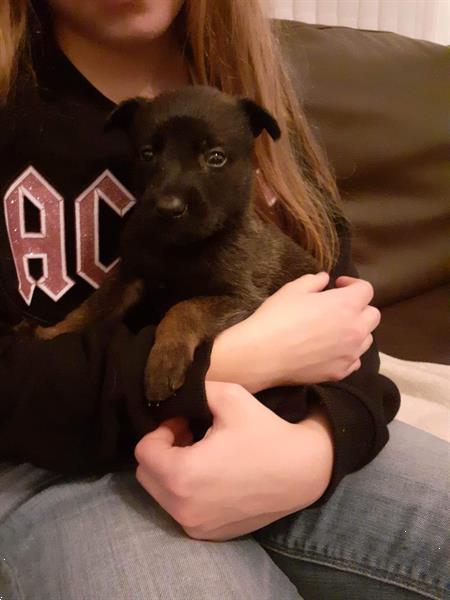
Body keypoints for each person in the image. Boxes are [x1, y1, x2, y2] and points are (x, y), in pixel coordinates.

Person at [0, 1, 447, 599]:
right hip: (67, 468)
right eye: (153, 157)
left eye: (213, 159)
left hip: (286, 422)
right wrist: (230, 363)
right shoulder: (16, 106)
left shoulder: (252, 95)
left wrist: (317, 448)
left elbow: (344, 319)